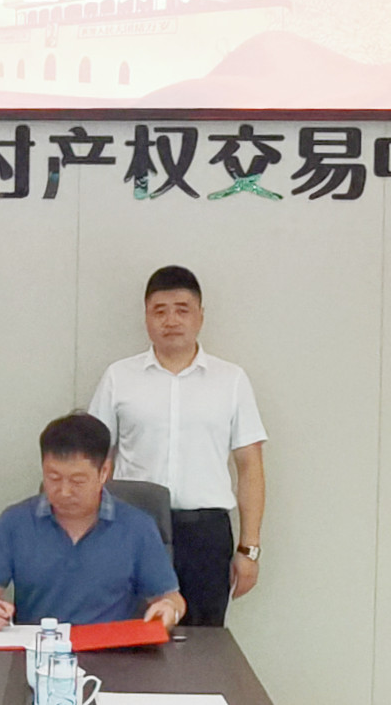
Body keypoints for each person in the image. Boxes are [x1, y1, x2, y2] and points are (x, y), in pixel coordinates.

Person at [88, 265, 267, 627]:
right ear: (146, 318)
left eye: (182, 310)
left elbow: (250, 466)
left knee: (202, 641)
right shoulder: (119, 377)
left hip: (205, 534)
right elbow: (94, 460)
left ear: (200, 316)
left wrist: (249, 549)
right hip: (133, 527)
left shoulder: (230, 380)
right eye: (160, 311)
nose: (171, 320)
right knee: (128, 634)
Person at [0, 412, 185, 630]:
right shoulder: (15, 523)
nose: (64, 492)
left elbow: (171, 598)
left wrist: (169, 609)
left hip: (113, 648)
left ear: (104, 472)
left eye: (77, 481)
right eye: (53, 478)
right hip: (38, 646)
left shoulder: (137, 527)